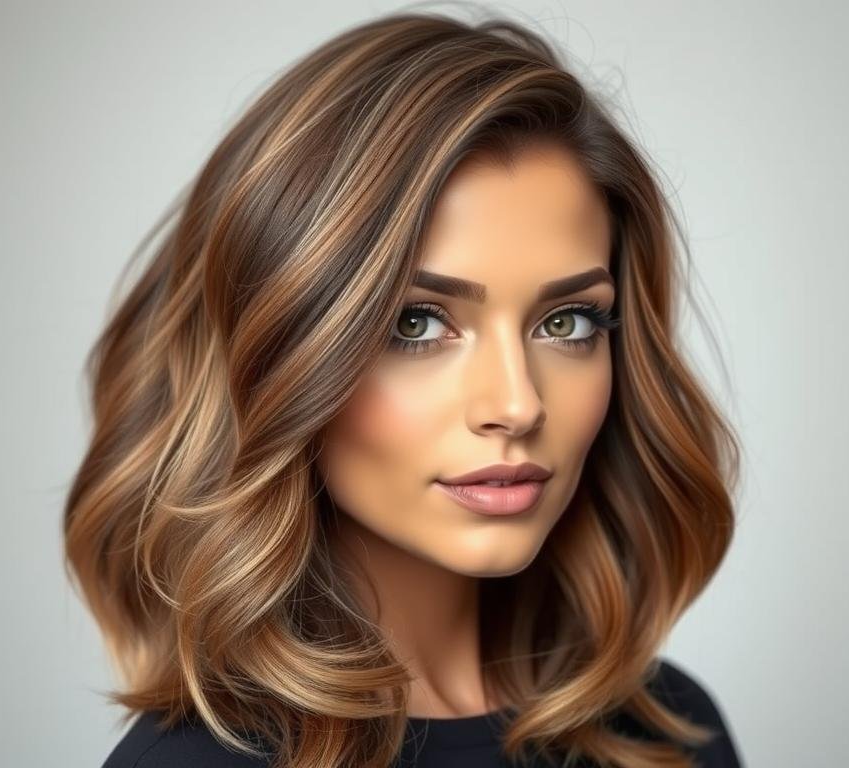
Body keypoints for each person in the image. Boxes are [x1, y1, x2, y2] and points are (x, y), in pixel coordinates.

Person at [64, 9, 744, 767]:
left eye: (568, 324)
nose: (517, 405)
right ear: (274, 350)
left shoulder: (667, 731)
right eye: (417, 324)